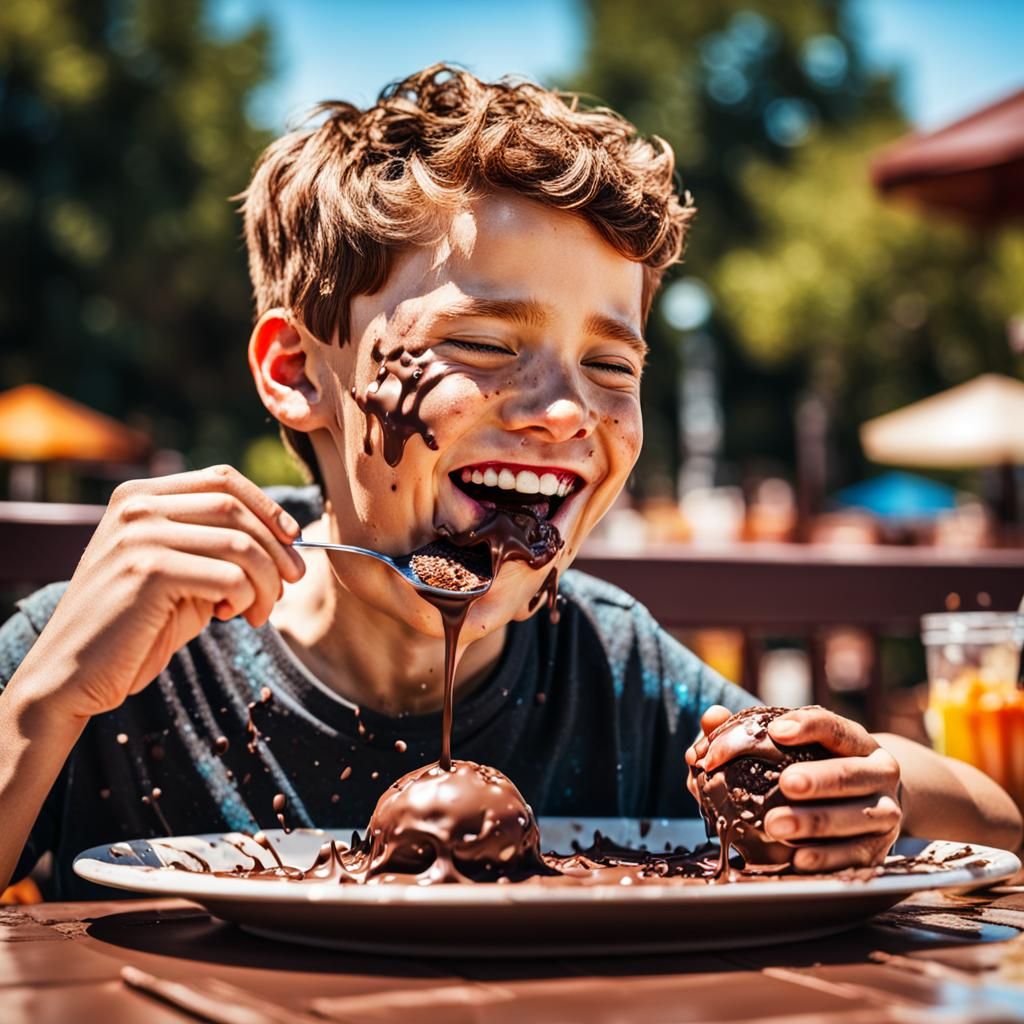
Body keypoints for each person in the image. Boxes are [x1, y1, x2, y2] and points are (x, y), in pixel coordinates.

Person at [0, 66, 1019, 899]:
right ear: (298, 370)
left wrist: (872, 783)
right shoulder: (121, 654)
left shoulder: (612, 672)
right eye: (484, 343)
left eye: (611, 366)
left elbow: (998, 826)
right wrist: (43, 704)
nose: (566, 412)